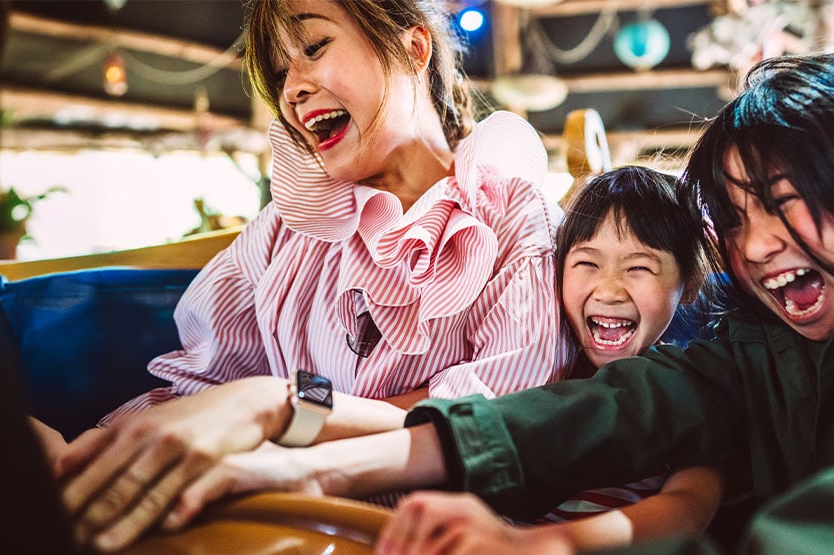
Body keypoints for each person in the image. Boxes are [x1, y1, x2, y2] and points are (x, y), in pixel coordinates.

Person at [74, 51, 834, 553]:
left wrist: (290, 417)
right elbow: (549, 423)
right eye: (740, 219)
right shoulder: (760, 349)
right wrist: (275, 453)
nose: (765, 247)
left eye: (790, 203)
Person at [54, 0, 570, 551]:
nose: (291, 90)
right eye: (280, 73)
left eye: (314, 48)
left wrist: (287, 406)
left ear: (413, 48)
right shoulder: (284, 229)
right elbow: (197, 389)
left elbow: (496, 418)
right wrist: (85, 457)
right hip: (259, 524)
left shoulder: (511, 213)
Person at [377, 166, 724, 552]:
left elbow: (687, 509)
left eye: (639, 267)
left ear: (690, 284)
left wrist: (537, 543)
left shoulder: (691, 394)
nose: (608, 291)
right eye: (587, 264)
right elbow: (433, 419)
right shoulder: (540, 361)